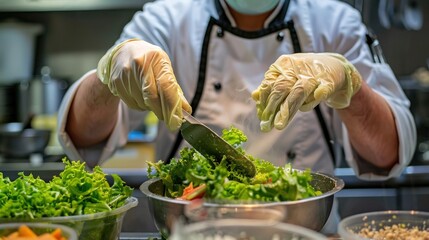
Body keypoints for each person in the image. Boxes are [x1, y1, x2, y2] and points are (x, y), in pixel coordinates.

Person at [57, 0, 416, 234]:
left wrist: (348, 85)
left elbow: (389, 153)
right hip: (187, 231)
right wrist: (108, 79)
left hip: (305, 231)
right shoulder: (166, 19)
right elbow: (83, 137)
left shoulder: (336, 22)